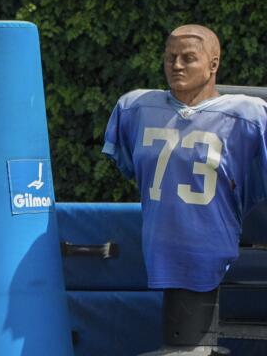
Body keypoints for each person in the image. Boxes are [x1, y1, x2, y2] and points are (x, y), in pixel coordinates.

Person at [103, 24, 267, 323]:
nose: (176, 66)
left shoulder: (249, 116)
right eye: (170, 57)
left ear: (213, 63)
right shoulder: (135, 107)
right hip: (159, 243)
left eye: (188, 58)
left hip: (213, 244)